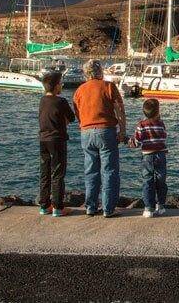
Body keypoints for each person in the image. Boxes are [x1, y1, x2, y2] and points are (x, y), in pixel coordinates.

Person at [73, 59, 128, 218]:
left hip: (86, 132)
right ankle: (108, 208)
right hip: (106, 131)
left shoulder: (79, 90)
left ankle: (90, 206)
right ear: (100, 71)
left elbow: (78, 112)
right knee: (109, 170)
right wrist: (122, 131)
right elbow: (120, 110)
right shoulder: (108, 86)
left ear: (86, 73)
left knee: (90, 171)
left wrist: (83, 125)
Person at [37, 72, 76, 217]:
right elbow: (71, 118)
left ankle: (44, 205)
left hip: (43, 139)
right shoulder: (61, 101)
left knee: (45, 172)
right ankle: (58, 207)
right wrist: (63, 123)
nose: (62, 86)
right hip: (57, 139)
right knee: (58, 173)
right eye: (60, 83)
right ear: (56, 86)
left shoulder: (42, 100)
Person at [128, 99, 169, 218]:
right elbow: (164, 137)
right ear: (157, 112)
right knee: (161, 179)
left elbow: (137, 142)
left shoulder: (141, 125)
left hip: (147, 155)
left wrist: (129, 142)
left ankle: (148, 208)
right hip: (160, 154)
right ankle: (161, 205)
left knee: (147, 180)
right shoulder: (161, 124)